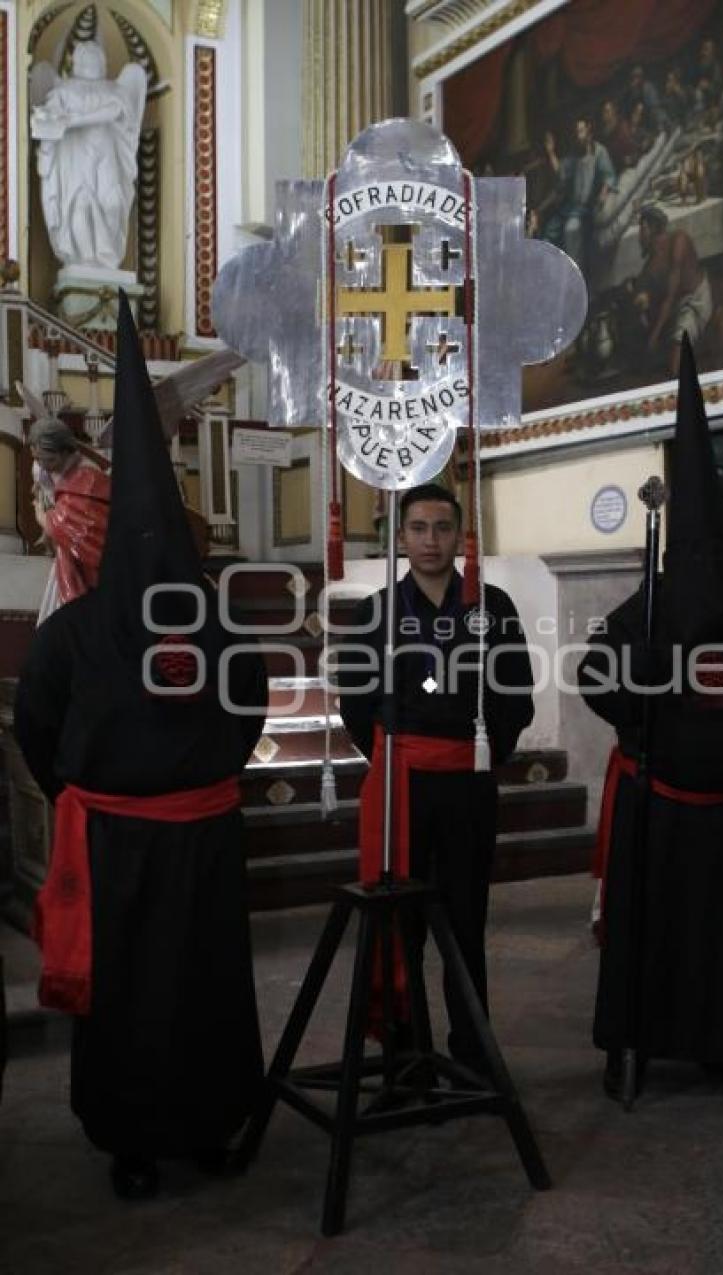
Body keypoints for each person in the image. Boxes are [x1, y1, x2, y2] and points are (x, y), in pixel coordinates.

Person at [14, 294, 267, 1200]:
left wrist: (199, 785)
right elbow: (37, 727)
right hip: (115, 843)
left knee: (205, 987)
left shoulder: (217, 629)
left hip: (199, 838)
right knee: (126, 1000)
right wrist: (89, 794)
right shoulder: (73, 634)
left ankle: (209, 1122)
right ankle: (129, 1136)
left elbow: (249, 708)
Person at [579, 335, 723, 1100]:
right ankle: (629, 1040)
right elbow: (595, 678)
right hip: (659, 802)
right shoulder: (639, 610)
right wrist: (636, 692)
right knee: (647, 932)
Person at [337, 483, 534, 1071]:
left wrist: (484, 752)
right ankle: (407, 1052)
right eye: (418, 529)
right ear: (399, 537)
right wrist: (396, 758)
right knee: (404, 921)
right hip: (403, 786)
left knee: (466, 921)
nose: (430, 540)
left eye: (442, 528)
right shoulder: (378, 612)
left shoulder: (491, 606)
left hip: (468, 783)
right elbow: (356, 701)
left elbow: (514, 692)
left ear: (460, 537)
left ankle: (473, 1053)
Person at [30, 40, 146, 270]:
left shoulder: (116, 90)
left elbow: (115, 112)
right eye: (86, 56)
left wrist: (73, 120)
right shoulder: (63, 90)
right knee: (79, 206)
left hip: (107, 155)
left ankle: (108, 256)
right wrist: (47, 130)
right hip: (74, 158)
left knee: (112, 203)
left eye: (96, 55)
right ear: (77, 61)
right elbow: (47, 119)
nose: (91, 59)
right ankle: (80, 261)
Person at [28, 416, 111, 622]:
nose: (44, 467)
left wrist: (40, 512)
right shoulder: (63, 471)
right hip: (68, 564)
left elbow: (63, 527)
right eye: (38, 460)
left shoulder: (87, 478)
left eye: (49, 460)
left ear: (65, 451)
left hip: (90, 575)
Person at [633, 205, 713, 376]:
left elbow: (670, 295)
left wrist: (654, 335)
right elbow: (642, 287)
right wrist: (641, 298)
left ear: (652, 228)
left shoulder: (679, 241)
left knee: (677, 357)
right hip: (674, 308)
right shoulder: (651, 264)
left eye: (642, 229)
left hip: (694, 302)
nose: (639, 237)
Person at [532, 115, 616, 273]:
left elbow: (609, 176)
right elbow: (562, 174)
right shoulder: (573, 155)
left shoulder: (599, 152)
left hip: (585, 209)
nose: (578, 136)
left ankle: (575, 275)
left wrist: (603, 193)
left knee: (571, 230)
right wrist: (551, 153)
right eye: (576, 132)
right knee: (550, 231)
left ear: (589, 132)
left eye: (581, 131)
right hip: (569, 208)